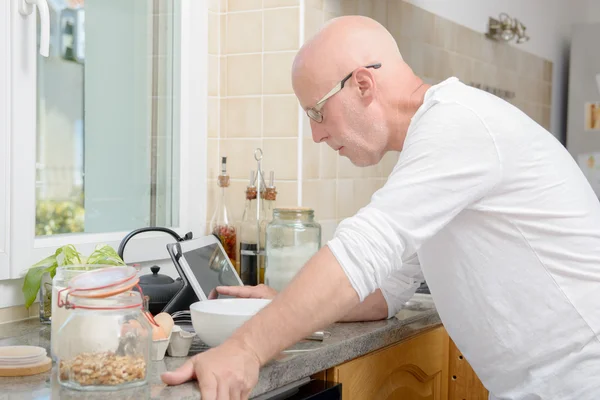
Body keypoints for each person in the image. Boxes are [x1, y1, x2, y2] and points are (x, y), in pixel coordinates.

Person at [161, 15, 600, 400]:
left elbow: (362, 252)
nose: (316, 135)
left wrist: (245, 349)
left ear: (363, 85)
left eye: (316, 113)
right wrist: (282, 303)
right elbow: (384, 290)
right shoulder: (437, 142)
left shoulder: (458, 124)